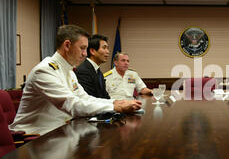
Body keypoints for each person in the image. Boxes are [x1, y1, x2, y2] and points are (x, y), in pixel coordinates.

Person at [9, 25, 141, 135]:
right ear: (67, 45)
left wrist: (117, 101)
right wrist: (115, 107)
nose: (85, 54)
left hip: (59, 132)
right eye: (82, 48)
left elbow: (84, 98)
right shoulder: (44, 71)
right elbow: (71, 104)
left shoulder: (69, 71)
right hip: (34, 136)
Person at [75, 34, 110, 99]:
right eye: (104, 48)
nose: (107, 52)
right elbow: (89, 99)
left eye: (108, 48)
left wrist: (119, 104)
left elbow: (104, 96)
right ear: (92, 51)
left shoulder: (98, 72)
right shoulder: (83, 71)